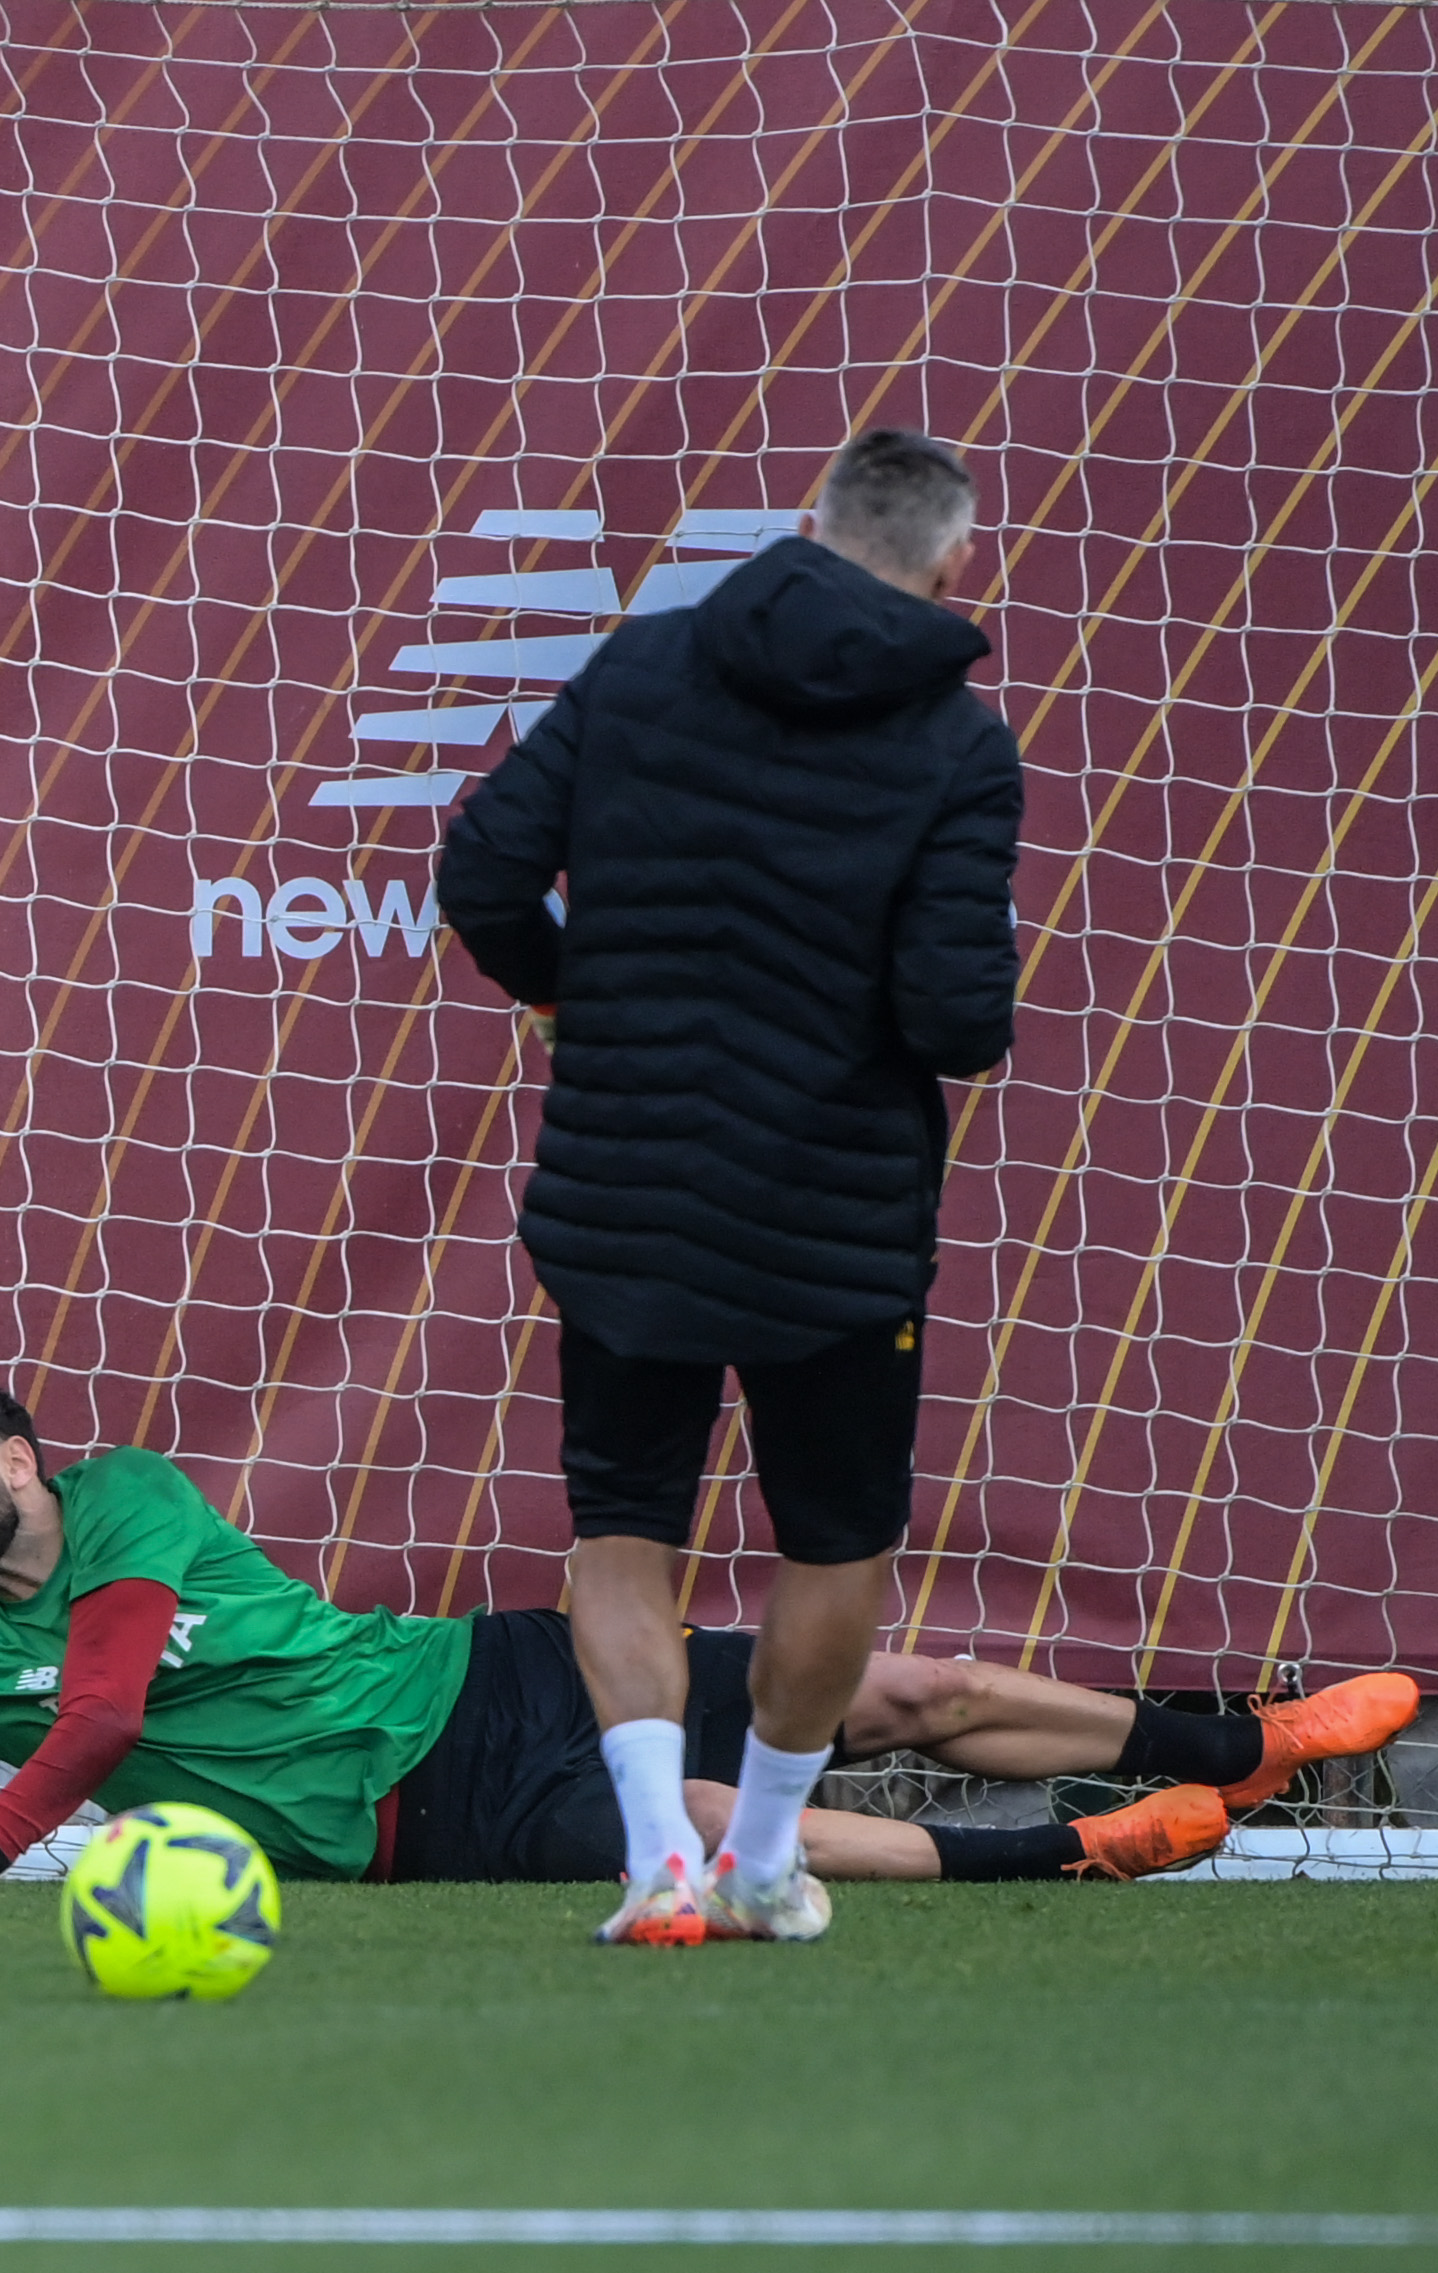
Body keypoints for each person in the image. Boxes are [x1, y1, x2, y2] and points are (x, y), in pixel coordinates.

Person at [0, 1384, 1420, 1890]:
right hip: (422, 1825)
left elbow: (110, 1701)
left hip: (482, 1673)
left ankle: (1236, 1733)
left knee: (880, 1684)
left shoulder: (127, 1510)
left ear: (12, 1456)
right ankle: (1070, 1853)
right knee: (709, 1816)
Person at [436, 428, 1029, 1947]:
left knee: (623, 1524)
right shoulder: (956, 742)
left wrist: (577, 996)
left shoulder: (642, 667)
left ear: (804, 526)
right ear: (952, 562)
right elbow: (961, 1017)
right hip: (829, 1211)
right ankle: (760, 1859)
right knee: (832, 1542)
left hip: (622, 1188)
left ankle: (657, 1863)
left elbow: (484, 866)